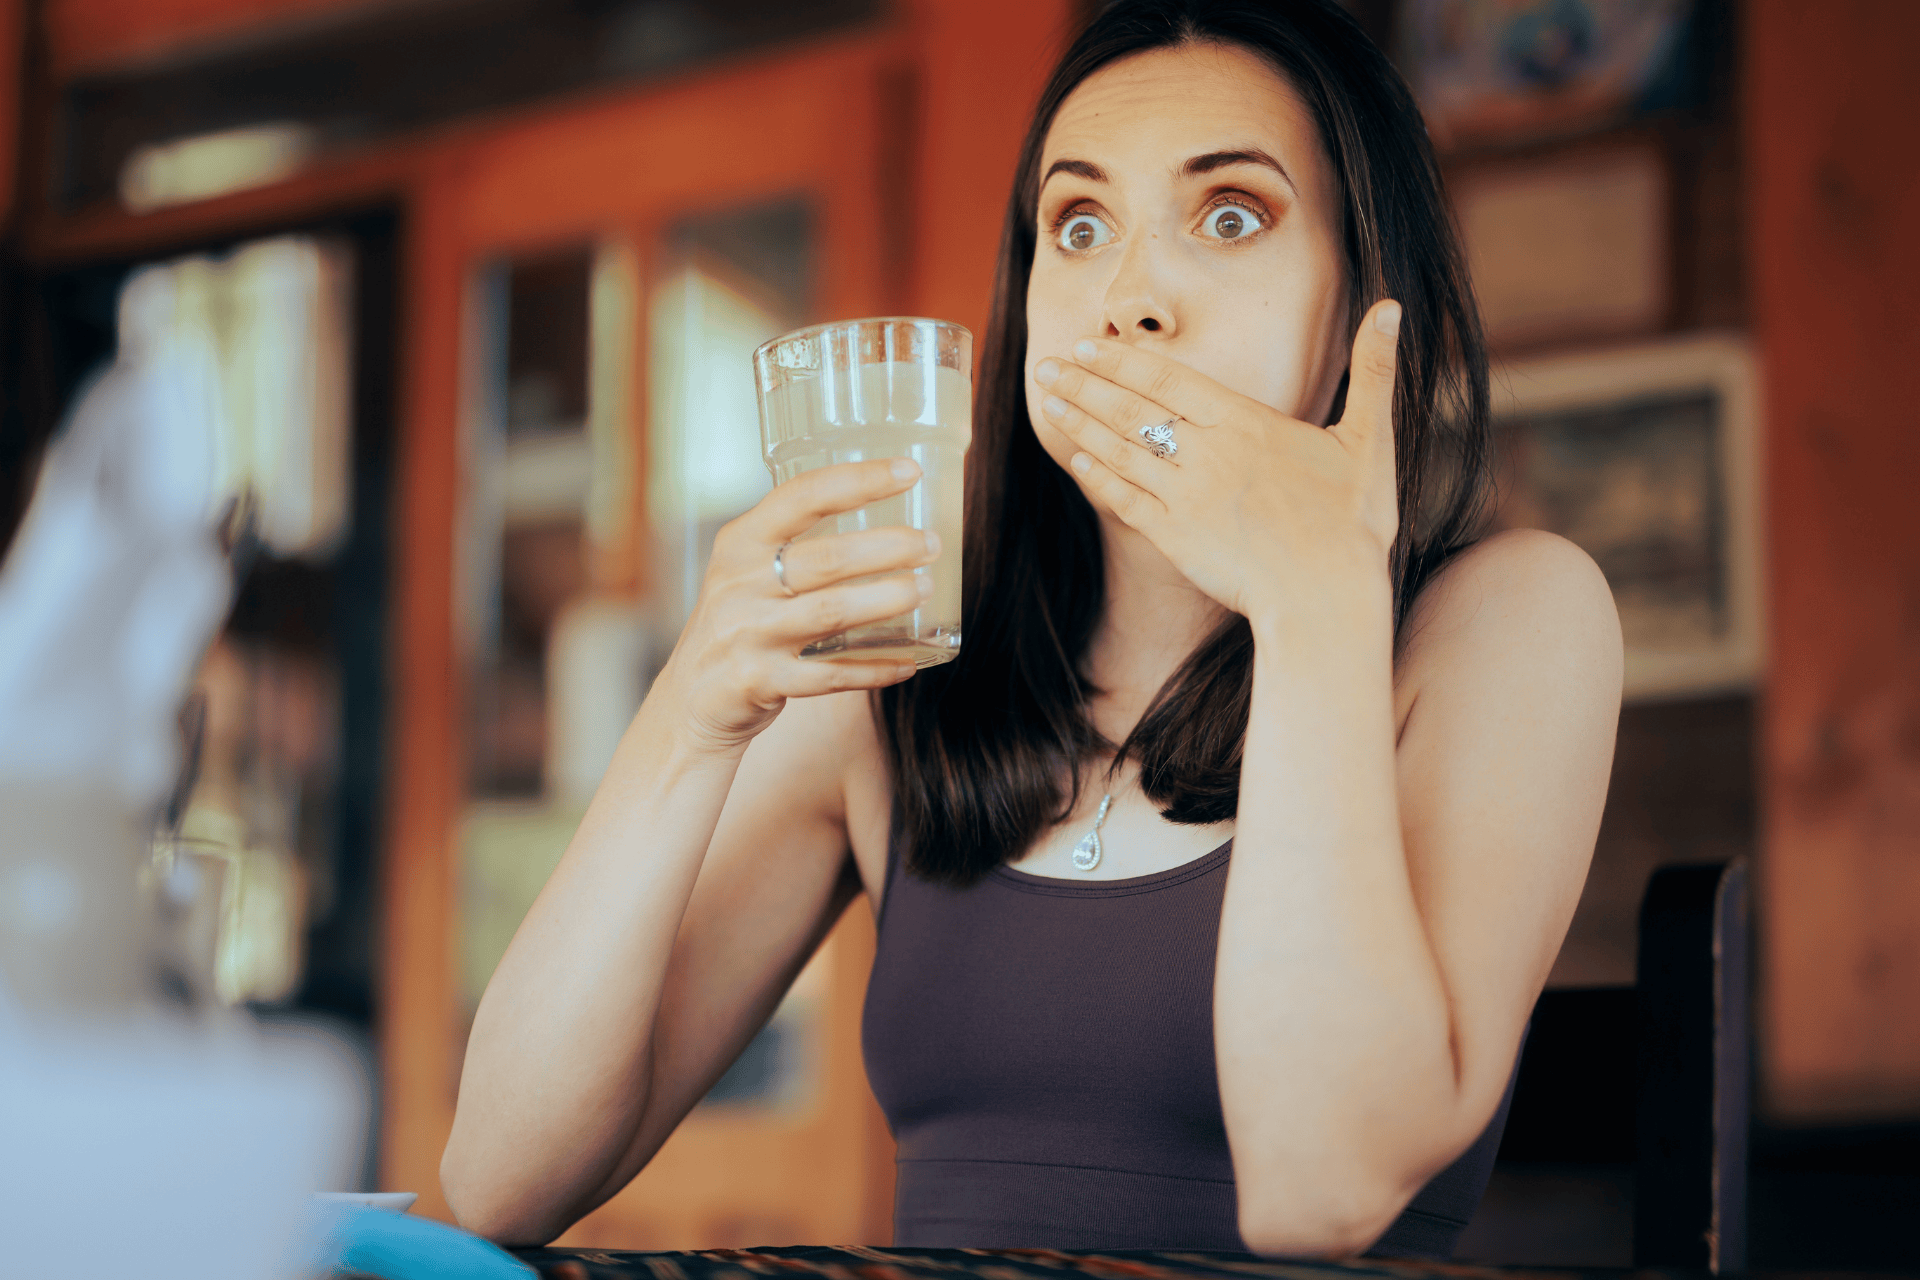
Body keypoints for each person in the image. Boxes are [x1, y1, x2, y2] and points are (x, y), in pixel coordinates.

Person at [441, 0, 1622, 1259]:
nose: (1132, 298)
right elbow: (501, 1180)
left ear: (1365, 300)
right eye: (1079, 224)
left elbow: (1320, 1187)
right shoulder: (895, 674)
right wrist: (688, 714)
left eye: (1231, 215)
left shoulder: (1512, 618)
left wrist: (1315, 591)